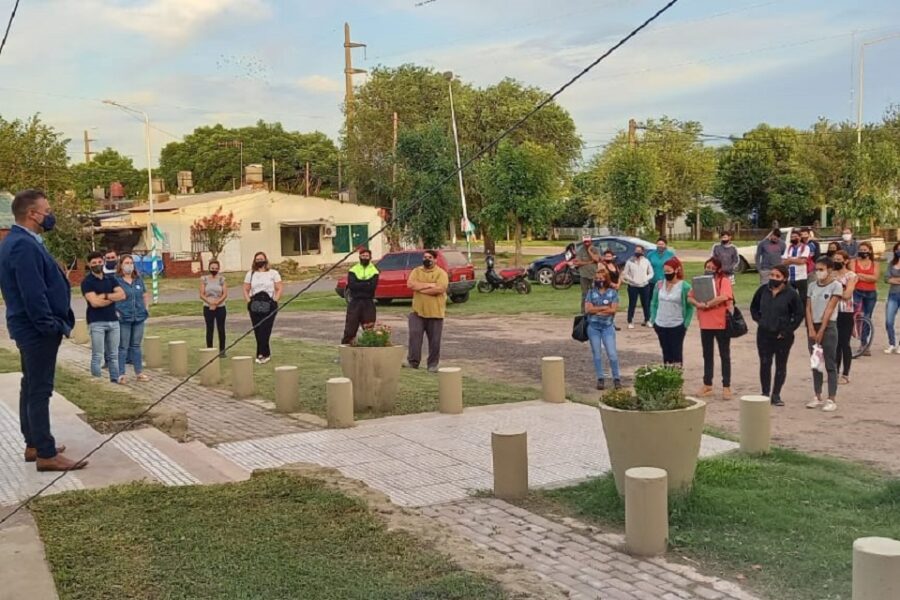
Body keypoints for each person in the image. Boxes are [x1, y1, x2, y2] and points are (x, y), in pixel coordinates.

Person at [0, 189, 85, 471]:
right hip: (36, 330)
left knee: (30, 385)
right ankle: (46, 454)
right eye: (47, 211)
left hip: (31, 328)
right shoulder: (22, 244)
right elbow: (32, 293)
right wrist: (49, 326)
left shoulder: (21, 241)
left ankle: (34, 444)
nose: (50, 216)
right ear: (32, 214)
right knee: (39, 390)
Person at [750, 265, 805, 407]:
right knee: (765, 362)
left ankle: (776, 395)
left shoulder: (791, 294)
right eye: (772, 275)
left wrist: (787, 330)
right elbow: (754, 307)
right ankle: (765, 393)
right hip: (764, 333)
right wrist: (759, 320)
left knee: (781, 364)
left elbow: (799, 314)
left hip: (782, 336)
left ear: (784, 278)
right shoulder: (763, 290)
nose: (773, 278)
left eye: (777, 276)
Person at [689, 258, 734, 400]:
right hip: (705, 323)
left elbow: (725, 296)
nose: (709, 269)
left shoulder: (723, 280)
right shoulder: (700, 281)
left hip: (721, 322)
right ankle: (707, 384)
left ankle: (726, 386)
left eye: (712, 267)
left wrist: (708, 304)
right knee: (707, 354)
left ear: (718, 269)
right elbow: (689, 296)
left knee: (724, 355)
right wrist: (697, 303)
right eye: (707, 266)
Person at [82, 251, 126, 383]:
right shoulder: (87, 282)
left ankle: (114, 379)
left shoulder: (111, 278)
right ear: (89, 264)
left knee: (113, 354)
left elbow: (122, 295)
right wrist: (112, 298)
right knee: (98, 354)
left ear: (103, 262)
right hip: (96, 322)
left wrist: (105, 296)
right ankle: (98, 381)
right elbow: (94, 303)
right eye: (94, 263)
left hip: (113, 320)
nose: (97, 264)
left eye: (99, 262)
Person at [805, 256, 842, 412]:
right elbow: (808, 308)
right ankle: (817, 395)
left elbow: (829, 309)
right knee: (816, 363)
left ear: (829, 270)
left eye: (821, 269)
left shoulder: (836, 286)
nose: (818, 272)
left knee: (829, 363)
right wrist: (811, 328)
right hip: (813, 325)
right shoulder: (812, 286)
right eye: (817, 269)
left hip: (828, 327)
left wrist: (821, 330)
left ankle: (831, 398)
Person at [405, 250, 449, 372]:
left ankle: (432, 364)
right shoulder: (416, 271)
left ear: (435, 259)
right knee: (414, 336)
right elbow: (410, 284)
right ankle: (413, 362)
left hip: (435, 313)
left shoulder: (441, 273)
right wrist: (430, 285)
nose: (426, 259)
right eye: (425, 257)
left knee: (435, 340)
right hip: (417, 312)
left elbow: (440, 289)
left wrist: (421, 289)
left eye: (429, 257)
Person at [650, 257, 694, 367]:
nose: (666, 274)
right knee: (666, 352)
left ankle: (676, 376)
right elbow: (654, 303)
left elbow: (690, 307)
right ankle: (667, 375)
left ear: (676, 270)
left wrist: (685, 324)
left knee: (676, 352)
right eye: (664, 271)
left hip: (677, 324)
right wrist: (653, 319)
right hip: (660, 324)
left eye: (669, 271)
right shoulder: (659, 285)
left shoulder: (685, 286)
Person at [585, 267, 620, 390]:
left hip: (607, 327)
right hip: (593, 327)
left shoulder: (612, 293)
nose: (599, 280)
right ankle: (600, 378)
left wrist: (597, 309)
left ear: (606, 279)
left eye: (601, 278)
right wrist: (603, 308)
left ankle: (616, 378)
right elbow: (588, 309)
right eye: (597, 278)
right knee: (597, 354)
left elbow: (613, 310)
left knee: (612, 354)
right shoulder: (591, 292)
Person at [243, 252, 282, 364]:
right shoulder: (250, 274)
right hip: (255, 303)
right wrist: (249, 301)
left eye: (261, 259)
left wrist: (275, 300)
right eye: (257, 259)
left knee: (266, 329)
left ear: (265, 260)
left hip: (269, 303)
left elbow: (279, 288)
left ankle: (263, 353)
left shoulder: (273, 273)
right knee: (258, 329)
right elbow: (245, 288)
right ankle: (262, 353)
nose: (259, 261)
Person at [115, 255, 150, 382]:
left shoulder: (138, 279)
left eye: (131, 263)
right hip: (124, 317)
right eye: (126, 263)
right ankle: (121, 374)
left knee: (136, 345)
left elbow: (144, 294)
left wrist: (146, 307)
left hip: (139, 317)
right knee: (123, 346)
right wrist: (115, 312)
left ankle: (139, 372)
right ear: (121, 265)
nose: (129, 265)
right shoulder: (116, 280)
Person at [342, 247, 379, 345]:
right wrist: (366, 283)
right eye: (363, 256)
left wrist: (360, 284)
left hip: (368, 303)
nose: (365, 258)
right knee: (350, 329)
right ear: (359, 257)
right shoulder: (353, 270)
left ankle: (370, 353)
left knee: (369, 330)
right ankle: (344, 350)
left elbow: (372, 287)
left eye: (367, 256)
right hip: (355, 302)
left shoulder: (374, 270)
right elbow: (352, 286)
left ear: (370, 257)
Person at [831, 251, 857, 383]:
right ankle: (834, 371)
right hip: (832, 311)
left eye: (839, 259)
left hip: (846, 312)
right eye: (834, 259)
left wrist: (834, 292)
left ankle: (845, 374)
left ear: (846, 261)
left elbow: (847, 295)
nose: (836, 261)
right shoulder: (831, 275)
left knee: (844, 343)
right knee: (834, 343)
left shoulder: (851, 275)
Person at [850, 241, 880, 337]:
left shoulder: (875, 264)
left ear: (870, 251)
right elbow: (853, 276)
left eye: (865, 250)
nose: (863, 252)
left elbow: (875, 278)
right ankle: (854, 331)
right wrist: (868, 277)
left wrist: (860, 275)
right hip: (857, 291)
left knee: (867, 317)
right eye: (861, 250)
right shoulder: (853, 262)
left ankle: (864, 342)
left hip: (871, 293)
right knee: (856, 314)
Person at [200, 259, 228, 355]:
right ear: (209, 268)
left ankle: (222, 350)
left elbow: (225, 294)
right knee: (209, 328)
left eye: (216, 268)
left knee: (221, 329)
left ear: (219, 269)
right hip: (208, 307)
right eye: (212, 268)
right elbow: (202, 294)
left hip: (220, 307)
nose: (214, 270)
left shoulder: (222, 279)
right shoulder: (204, 279)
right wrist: (210, 302)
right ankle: (209, 349)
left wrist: (217, 303)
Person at [622, 245, 653, 329]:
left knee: (645, 304)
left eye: (639, 251)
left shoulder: (646, 261)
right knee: (632, 303)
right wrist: (631, 280)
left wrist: (646, 278)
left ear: (642, 252)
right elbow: (625, 273)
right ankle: (630, 321)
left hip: (644, 285)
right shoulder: (630, 261)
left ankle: (647, 320)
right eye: (636, 250)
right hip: (633, 286)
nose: (637, 252)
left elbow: (651, 273)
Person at [783, 229, 811, 300]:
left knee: (803, 297)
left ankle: (803, 311)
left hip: (801, 277)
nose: (793, 238)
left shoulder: (805, 247)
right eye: (792, 237)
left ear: (800, 237)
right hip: (790, 277)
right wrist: (797, 259)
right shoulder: (789, 248)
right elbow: (784, 262)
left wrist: (790, 259)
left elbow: (803, 261)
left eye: (795, 236)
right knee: (789, 297)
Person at [573, 236, 600, 307]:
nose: (586, 243)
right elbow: (577, 263)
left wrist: (589, 251)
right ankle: (583, 311)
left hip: (594, 275)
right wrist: (590, 262)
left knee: (595, 293)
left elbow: (596, 259)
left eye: (588, 241)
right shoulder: (580, 250)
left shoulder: (595, 249)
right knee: (584, 294)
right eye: (585, 242)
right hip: (583, 275)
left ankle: (595, 309)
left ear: (591, 241)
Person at [884, 241, 900, 354]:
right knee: (889, 321)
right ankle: (892, 343)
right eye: (897, 249)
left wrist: (894, 279)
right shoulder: (891, 263)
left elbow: (891, 279)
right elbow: (886, 279)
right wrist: (894, 280)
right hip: (893, 295)